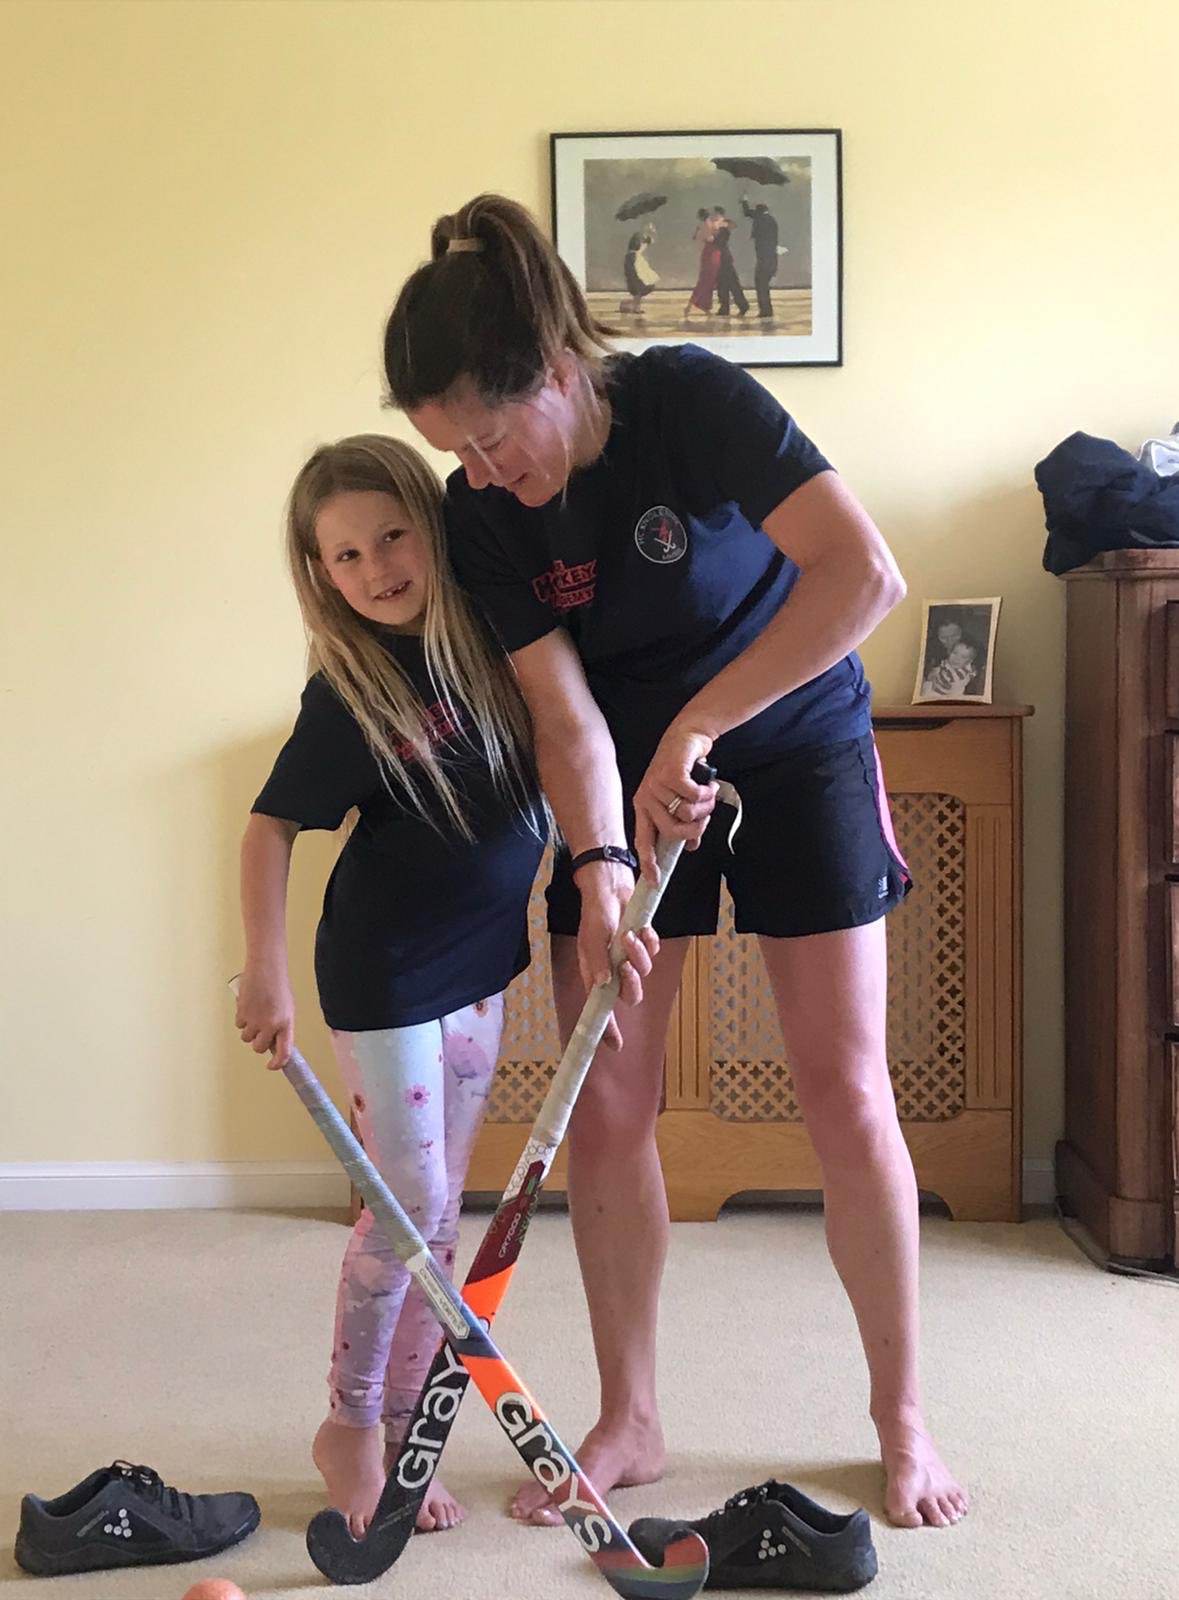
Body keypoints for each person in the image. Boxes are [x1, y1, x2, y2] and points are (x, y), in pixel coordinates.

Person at [381, 194, 969, 1532]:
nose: (474, 472)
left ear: (553, 368)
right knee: (611, 1098)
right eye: (451, 453)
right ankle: (633, 1413)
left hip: (794, 722)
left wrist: (708, 721)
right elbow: (562, 712)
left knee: (843, 1086)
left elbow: (860, 576)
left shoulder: (691, 400)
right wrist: (593, 866)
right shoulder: (484, 518)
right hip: (625, 772)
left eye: (486, 436)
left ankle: (901, 1416)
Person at [234, 434, 549, 1538]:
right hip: (387, 979)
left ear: (431, 523)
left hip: (481, 969)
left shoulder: (497, 638)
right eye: (346, 556)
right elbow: (271, 824)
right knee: (401, 1215)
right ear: (322, 575)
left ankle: (413, 1412)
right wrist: (265, 969)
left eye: (392, 536)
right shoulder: (351, 688)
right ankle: (351, 1424)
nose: (376, 568)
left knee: (435, 1215)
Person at [741, 194, 780, 318]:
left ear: (759, 212)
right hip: (771, 258)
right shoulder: (771, 220)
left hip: (764, 259)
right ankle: (767, 310)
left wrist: (744, 201)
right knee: (764, 285)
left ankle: (765, 311)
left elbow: (747, 213)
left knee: (761, 284)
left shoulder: (761, 219)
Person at [711, 206, 750, 318]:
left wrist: (719, 225)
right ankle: (725, 307)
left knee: (732, 283)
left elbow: (732, 225)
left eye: (715, 214)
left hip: (724, 258)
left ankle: (741, 305)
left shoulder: (723, 226)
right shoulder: (716, 226)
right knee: (723, 284)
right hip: (720, 258)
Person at [683, 208, 721, 319]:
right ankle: (693, 306)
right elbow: (710, 239)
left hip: (709, 253)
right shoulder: (708, 225)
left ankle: (703, 306)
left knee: (706, 281)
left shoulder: (701, 226)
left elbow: (696, 238)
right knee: (706, 281)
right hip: (712, 253)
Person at [619, 225, 658, 317]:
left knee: (638, 294)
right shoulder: (634, 255)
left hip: (634, 274)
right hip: (635, 275)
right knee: (638, 292)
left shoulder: (633, 254)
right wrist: (644, 277)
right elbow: (637, 268)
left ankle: (629, 305)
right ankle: (635, 307)